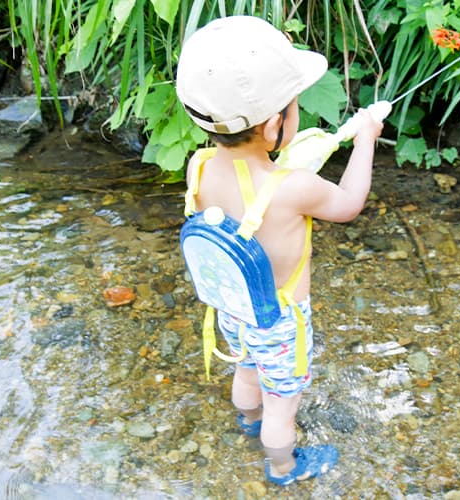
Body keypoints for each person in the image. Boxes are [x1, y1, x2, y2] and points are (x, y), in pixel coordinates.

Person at [175, 16, 383, 486]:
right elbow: (349, 205)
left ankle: (247, 422)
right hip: (281, 317)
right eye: (295, 107)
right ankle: (283, 467)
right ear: (274, 127)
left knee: (247, 371)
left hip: (233, 306)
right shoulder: (294, 187)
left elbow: (247, 188)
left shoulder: (201, 165)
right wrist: (365, 139)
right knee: (283, 401)